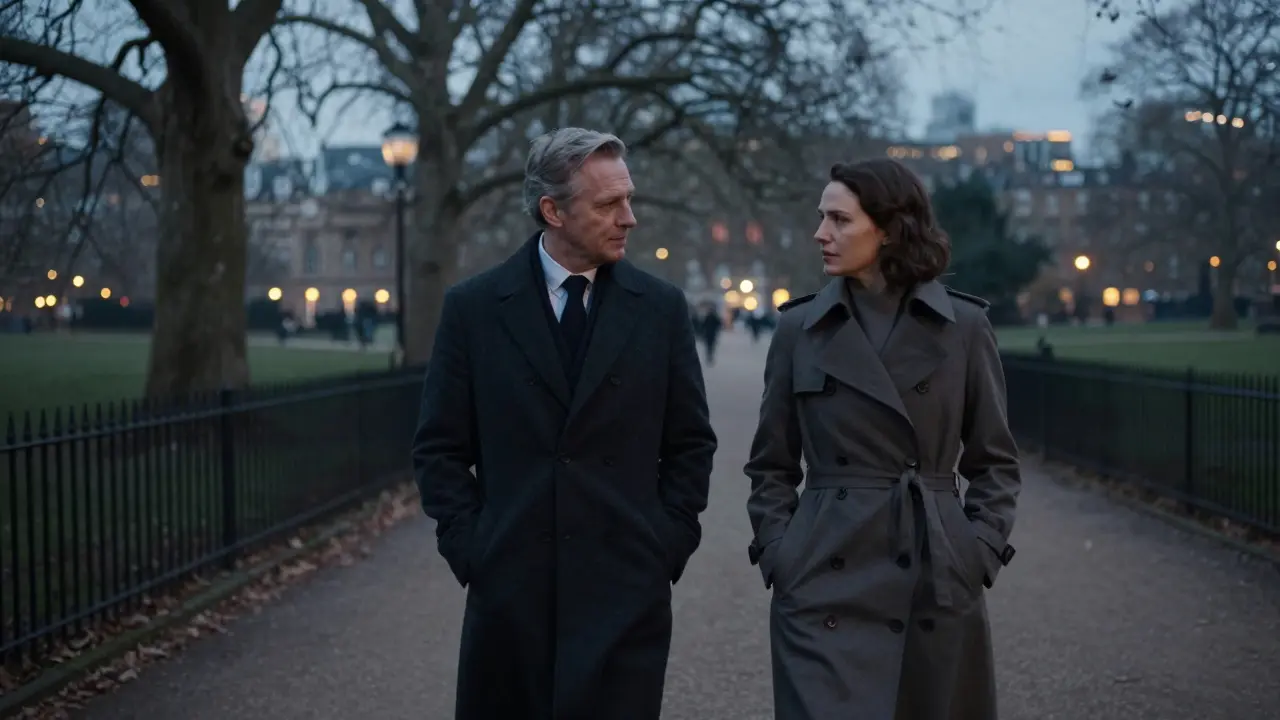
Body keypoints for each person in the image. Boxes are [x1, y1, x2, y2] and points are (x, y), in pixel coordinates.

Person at [412, 127, 717, 720]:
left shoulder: (660, 309)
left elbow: (690, 444)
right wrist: (472, 548)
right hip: (511, 591)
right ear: (552, 210)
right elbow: (440, 448)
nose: (628, 218)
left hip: (625, 585)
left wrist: (666, 544)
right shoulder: (474, 309)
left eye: (629, 199)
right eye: (608, 204)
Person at [744, 158, 1020, 720]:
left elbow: (994, 460)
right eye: (822, 218)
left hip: (934, 574)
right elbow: (771, 464)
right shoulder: (800, 329)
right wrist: (782, 553)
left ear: (890, 228)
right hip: (821, 578)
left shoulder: (962, 328)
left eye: (840, 220)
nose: (821, 234)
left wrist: (978, 551)